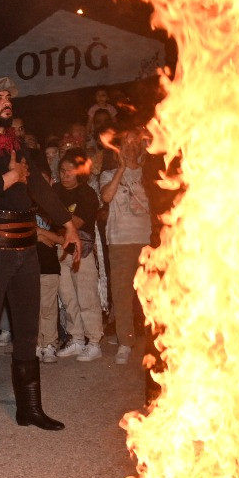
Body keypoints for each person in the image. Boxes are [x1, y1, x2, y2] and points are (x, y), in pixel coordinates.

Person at [0, 77, 78, 448]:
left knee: (27, 333)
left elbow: (39, 188)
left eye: (8, 97)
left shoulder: (17, 145)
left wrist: (67, 224)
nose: (6, 102)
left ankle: (30, 408)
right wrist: (10, 176)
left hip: (26, 251)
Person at [96, 124, 154, 365]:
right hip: (119, 240)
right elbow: (106, 197)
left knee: (151, 294)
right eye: (126, 144)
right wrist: (121, 169)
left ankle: (158, 340)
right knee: (122, 294)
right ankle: (125, 342)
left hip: (147, 241)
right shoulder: (109, 174)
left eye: (134, 143)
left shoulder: (149, 173)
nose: (130, 148)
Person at [52, 148, 104, 362]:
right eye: (62, 170)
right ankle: (77, 338)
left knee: (86, 296)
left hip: (81, 250)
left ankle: (94, 342)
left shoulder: (87, 194)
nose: (65, 175)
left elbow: (76, 224)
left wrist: (51, 233)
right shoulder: (54, 190)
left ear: (80, 173)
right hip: (60, 250)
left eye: (70, 171)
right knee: (68, 296)